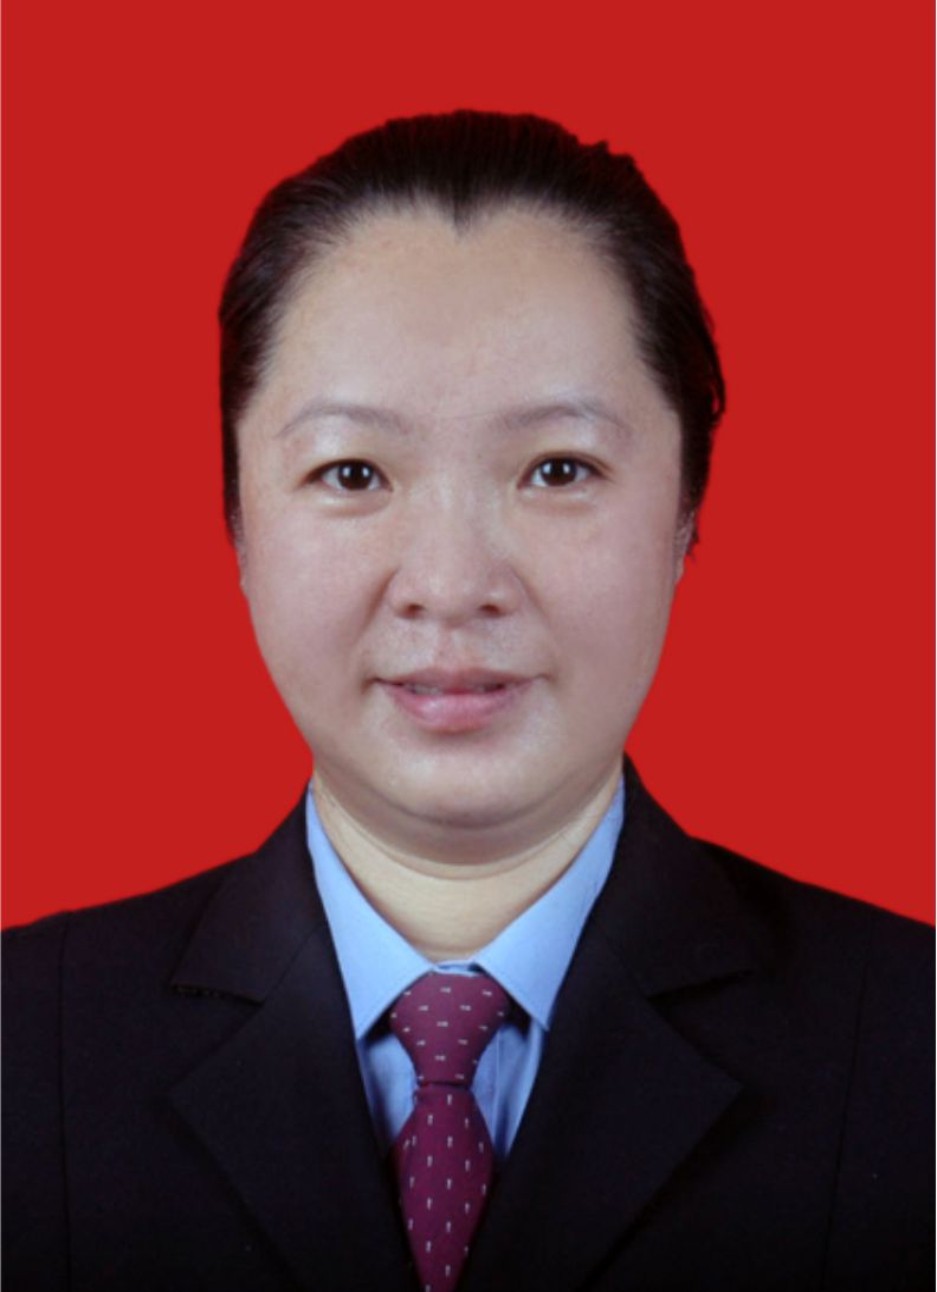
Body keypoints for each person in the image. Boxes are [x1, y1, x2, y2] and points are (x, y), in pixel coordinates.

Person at [3, 111, 932, 1292]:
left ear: (685, 509)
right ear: (236, 517)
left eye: (558, 468)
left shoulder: (911, 1045)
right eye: (352, 472)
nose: (449, 585)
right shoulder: (24, 1044)